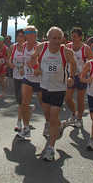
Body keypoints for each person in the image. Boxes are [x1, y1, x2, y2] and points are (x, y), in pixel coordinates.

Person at [29, 27, 77, 161]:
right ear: (49, 38)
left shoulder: (66, 51)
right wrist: (35, 68)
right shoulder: (42, 48)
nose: (56, 41)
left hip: (59, 89)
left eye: (59, 38)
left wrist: (71, 77)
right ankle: (61, 125)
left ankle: (50, 148)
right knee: (50, 118)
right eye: (53, 38)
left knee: (53, 115)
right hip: (45, 87)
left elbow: (73, 64)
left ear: (62, 38)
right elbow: (33, 58)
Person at [16, 26, 46, 140]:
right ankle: (26, 129)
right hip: (27, 78)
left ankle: (48, 124)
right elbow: (25, 61)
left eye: (30, 34)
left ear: (35, 35)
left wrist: (34, 67)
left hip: (40, 80)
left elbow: (44, 62)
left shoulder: (40, 47)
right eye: (26, 34)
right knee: (24, 103)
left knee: (44, 105)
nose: (28, 36)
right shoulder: (24, 46)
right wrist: (24, 68)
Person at [65, 27, 92, 128]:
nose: (73, 38)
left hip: (81, 76)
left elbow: (92, 63)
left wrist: (85, 72)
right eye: (72, 36)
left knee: (80, 100)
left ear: (81, 37)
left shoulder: (86, 48)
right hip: (70, 75)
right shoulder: (68, 46)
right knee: (67, 98)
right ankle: (74, 113)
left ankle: (79, 119)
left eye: (75, 36)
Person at [7, 29, 26, 130]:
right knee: (18, 99)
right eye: (18, 36)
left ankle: (19, 122)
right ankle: (28, 108)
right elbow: (8, 59)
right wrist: (10, 64)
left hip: (26, 77)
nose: (19, 38)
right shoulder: (13, 47)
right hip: (16, 76)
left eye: (21, 36)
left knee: (20, 99)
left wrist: (25, 67)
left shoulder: (27, 48)